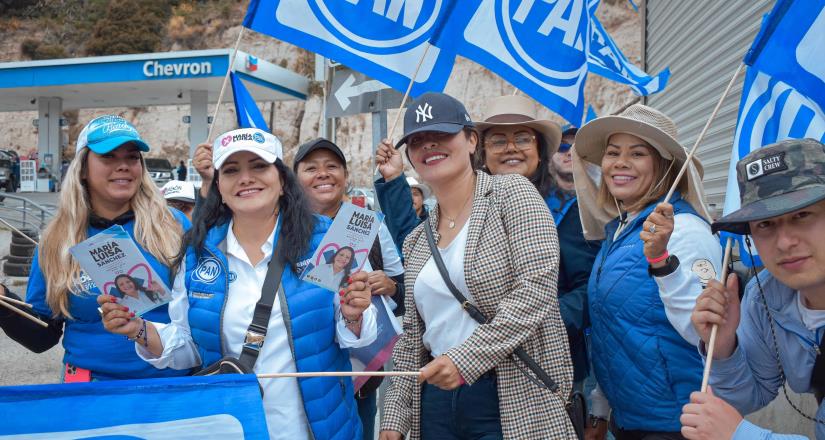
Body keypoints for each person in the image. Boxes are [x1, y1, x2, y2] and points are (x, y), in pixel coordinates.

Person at [99, 128, 378, 440]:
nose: (246, 178)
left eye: (259, 166)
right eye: (231, 170)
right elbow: (189, 347)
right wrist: (138, 329)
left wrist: (354, 314)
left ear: (283, 180)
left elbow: (356, 338)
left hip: (319, 428)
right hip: (230, 428)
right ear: (218, 185)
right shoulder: (198, 254)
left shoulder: (330, 240)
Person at [378, 92, 575, 439]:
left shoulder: (511, 193)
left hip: (510, 392)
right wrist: (394, 418)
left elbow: (536, 287)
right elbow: (412, 337)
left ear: (471, 141)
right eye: (418, 141)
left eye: (441, 135)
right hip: (436, 402)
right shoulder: (416, 239)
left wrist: (466, 360)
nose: (429, 146)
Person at [572, 104, 723, 439]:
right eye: (613, 153)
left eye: (637, 153)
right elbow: (612, 328)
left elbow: (708, 337)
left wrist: (662, 263)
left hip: (677, 424)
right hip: (629, 422)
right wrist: (600, 409)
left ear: (664, 166)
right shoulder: (619, 232)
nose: (620, 163)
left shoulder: (687, 232)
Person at [0, 115, 189, 382]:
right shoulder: (57, 239)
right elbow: (43, 336)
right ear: (83, 168)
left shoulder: (173, 224)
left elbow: (204, 315)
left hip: (168, 385)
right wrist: (4, 302)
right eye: (109, 157)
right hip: (89, 390)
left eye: (132, 157)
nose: (123, 166)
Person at [683, 138, 825, 440]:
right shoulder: (766, 298)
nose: (785, 242)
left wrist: (741, 436)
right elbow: (753, 395)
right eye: (765, 225)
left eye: (801, 215)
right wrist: (722, 347)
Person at [293, 137, 406, 440]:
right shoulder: (281, 232)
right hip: (302, 379)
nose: (323, 173)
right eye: (311, 168)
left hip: (360, 378)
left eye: (332, 166)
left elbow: (408, 290)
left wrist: (391, 287)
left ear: (345, 176)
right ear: (293, 179)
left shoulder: (368, 225)